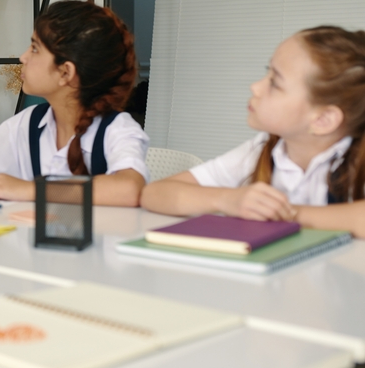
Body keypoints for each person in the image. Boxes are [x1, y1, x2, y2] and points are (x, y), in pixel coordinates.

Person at [141, 26, 365, 237]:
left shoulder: (358, 157)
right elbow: (154, 194)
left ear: (323, 120)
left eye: (275, 83)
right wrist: (228, 200)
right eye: (266, 73)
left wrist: (280, 213)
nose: (255, 87)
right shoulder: (263, 150)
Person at [0, 0, 149, 205]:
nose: (23, 57)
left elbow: (129, 189)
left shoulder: (118, 129)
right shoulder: (29, 123)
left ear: (65, 72)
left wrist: (32, 190)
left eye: (34, 48)